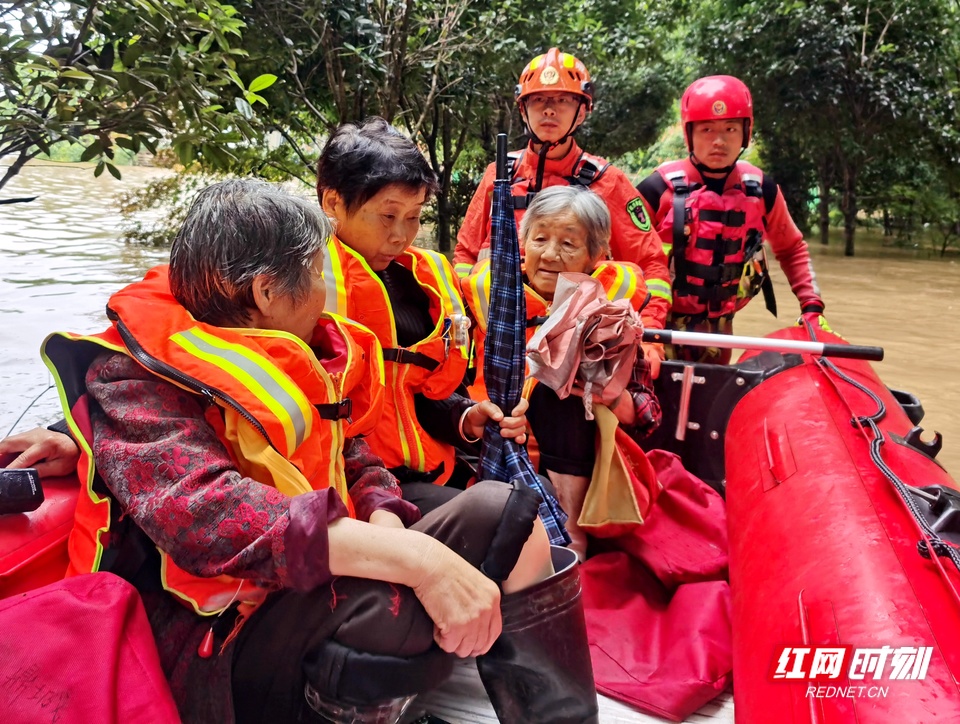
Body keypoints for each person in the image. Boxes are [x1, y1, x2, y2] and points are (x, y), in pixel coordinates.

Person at [27, 179, 598, 723]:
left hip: (313, 571)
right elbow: (208, 516)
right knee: (388, 605)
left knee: (509, 512)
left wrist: (385, 516)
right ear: (267, 292)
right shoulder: (133, 380)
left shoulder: (301, 347)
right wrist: (417, 560)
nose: (327, 295)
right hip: (224, 636)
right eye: (316, 276)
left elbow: (350, 450)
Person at [315, 118, 527, 500]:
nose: (401, 235)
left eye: (413, 217)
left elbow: (421, 392)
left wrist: (467, 417)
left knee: (531, 493)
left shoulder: (422, 279)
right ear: (333, 202)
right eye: (387, 215)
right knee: (507, 509)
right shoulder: (298, 282)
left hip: (431, 470)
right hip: (349, 487)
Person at [462, 186, 661, 560]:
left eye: (568, 244)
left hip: (571, 465)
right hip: (490, 444)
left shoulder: (611, 319)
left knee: (561, 390)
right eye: (540, 239)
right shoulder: (487, 298)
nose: (550, 255)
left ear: (595, 255)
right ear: (524, 244)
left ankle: (569, 534)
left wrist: (605, 391)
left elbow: (648, 416)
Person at [453, 47, 673, 346]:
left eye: (562, 100)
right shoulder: (499, 176)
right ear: (523, 109)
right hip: (498, 340)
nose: (549, 110)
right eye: (539, 100)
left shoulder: (607, 182)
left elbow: (651, 265)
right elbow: (465, 256)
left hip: (579, 342)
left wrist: (650, 334)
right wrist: (460, 318)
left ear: (582, 110)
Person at [635, 74, 827, 364]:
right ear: (690, 134)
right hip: (656, 325)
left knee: (709, 399)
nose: (719, 141)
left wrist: (811, 307)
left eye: (730, 129)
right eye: (707, 130)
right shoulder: (656, 189)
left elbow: (791, 248)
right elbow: (615, 251)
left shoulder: (762, 189)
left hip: (720, 328)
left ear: (745, 133)